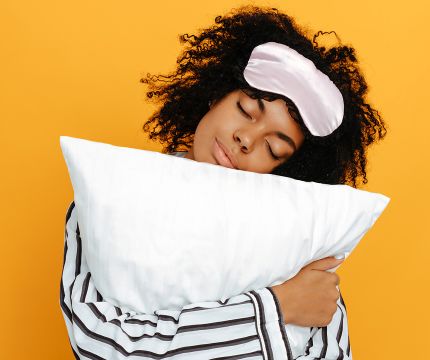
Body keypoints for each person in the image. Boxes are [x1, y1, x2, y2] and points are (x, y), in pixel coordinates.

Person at [60, 5, 386, 359]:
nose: (246, 139)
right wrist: (274, 309)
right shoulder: (113, 195)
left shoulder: (297, 233)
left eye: (274, 148)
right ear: (216, 95)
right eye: (246, 110)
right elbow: (100, 344)